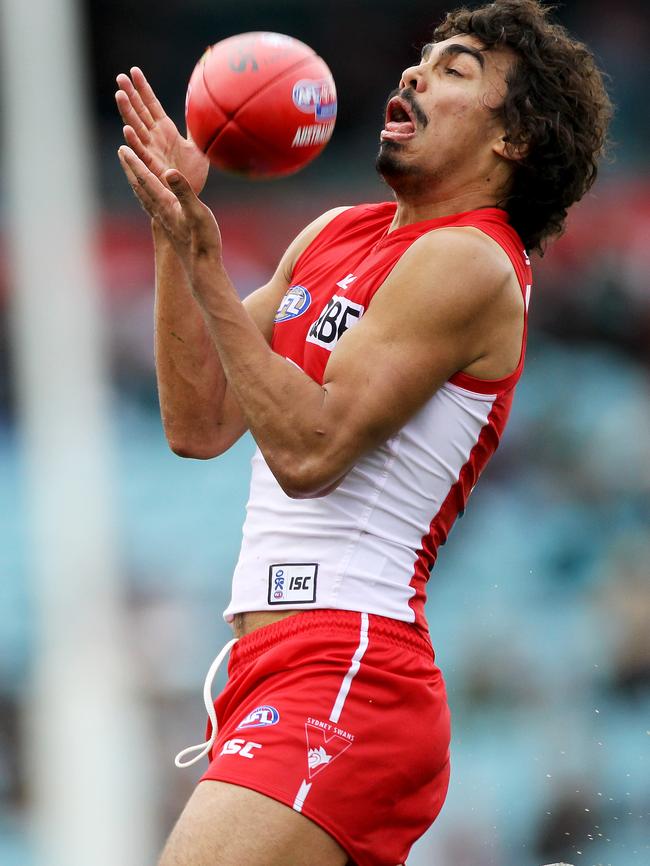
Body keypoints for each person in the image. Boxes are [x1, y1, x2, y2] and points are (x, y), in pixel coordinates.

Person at [115, 1, 611, 864]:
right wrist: (173, 230)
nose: (415, 73)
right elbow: (198, 423)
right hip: (271, 670)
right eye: (422, 58)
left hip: (349, 667)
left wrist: (207, 265)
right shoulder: (333, 234)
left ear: (515, 140)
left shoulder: (473, 259)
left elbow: (309, 453)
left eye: (456, 70)